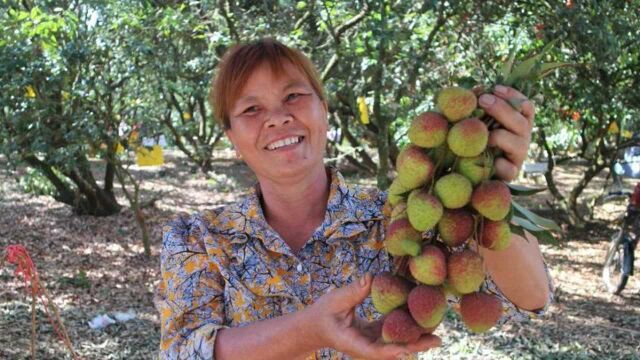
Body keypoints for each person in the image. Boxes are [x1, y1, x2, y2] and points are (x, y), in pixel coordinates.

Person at [155, 38, 553, 360]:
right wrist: (308, 331)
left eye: (293, 96)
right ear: (232, 138)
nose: (277, 118)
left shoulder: (397, 216)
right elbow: (183, 352)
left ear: (324, 111)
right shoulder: (197, 239)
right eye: (252, 108)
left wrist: (494, 182)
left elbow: (532, 295)